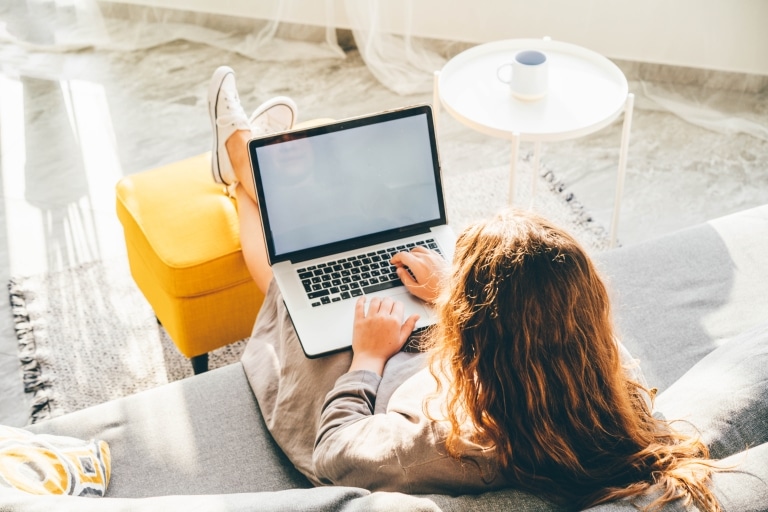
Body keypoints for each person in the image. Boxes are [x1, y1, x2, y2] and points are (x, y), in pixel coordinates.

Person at [207, 66, 726, 511]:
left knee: (289, 279)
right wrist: (451, 293)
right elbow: (544, 323)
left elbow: (336, 452)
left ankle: (241, 167)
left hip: (369, 376)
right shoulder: (609, 386)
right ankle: (252, 164)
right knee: (330, 252)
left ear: (475, 342)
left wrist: (367, 358)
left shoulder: (457, 446)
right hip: (432, 359)